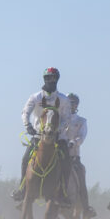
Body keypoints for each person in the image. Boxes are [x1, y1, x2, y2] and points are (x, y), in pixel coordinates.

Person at [12, 67, 72, 205]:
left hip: (58, 136)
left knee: (67, 161)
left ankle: (63, 192)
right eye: (48, 78)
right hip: (39, 135)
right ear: (44, 79)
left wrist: (58, 129)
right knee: (25, 158)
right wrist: (28, 126)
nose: (51, 80)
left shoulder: (64, 100)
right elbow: (25, 113)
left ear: (57, 79)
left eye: (54, 78)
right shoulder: (35, 97)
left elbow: (67, 119)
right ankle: (22, 189)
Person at [62, 93, 96, 218]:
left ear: (76, 105)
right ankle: (29, 196)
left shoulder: (81, 121)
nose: (71, 105)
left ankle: (86, 208)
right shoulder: (59, 118)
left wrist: (73, 142)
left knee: (81, 175)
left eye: (73, 103)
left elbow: (82, 136)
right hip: (59, 155)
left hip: (73, 157)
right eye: (69, 102)